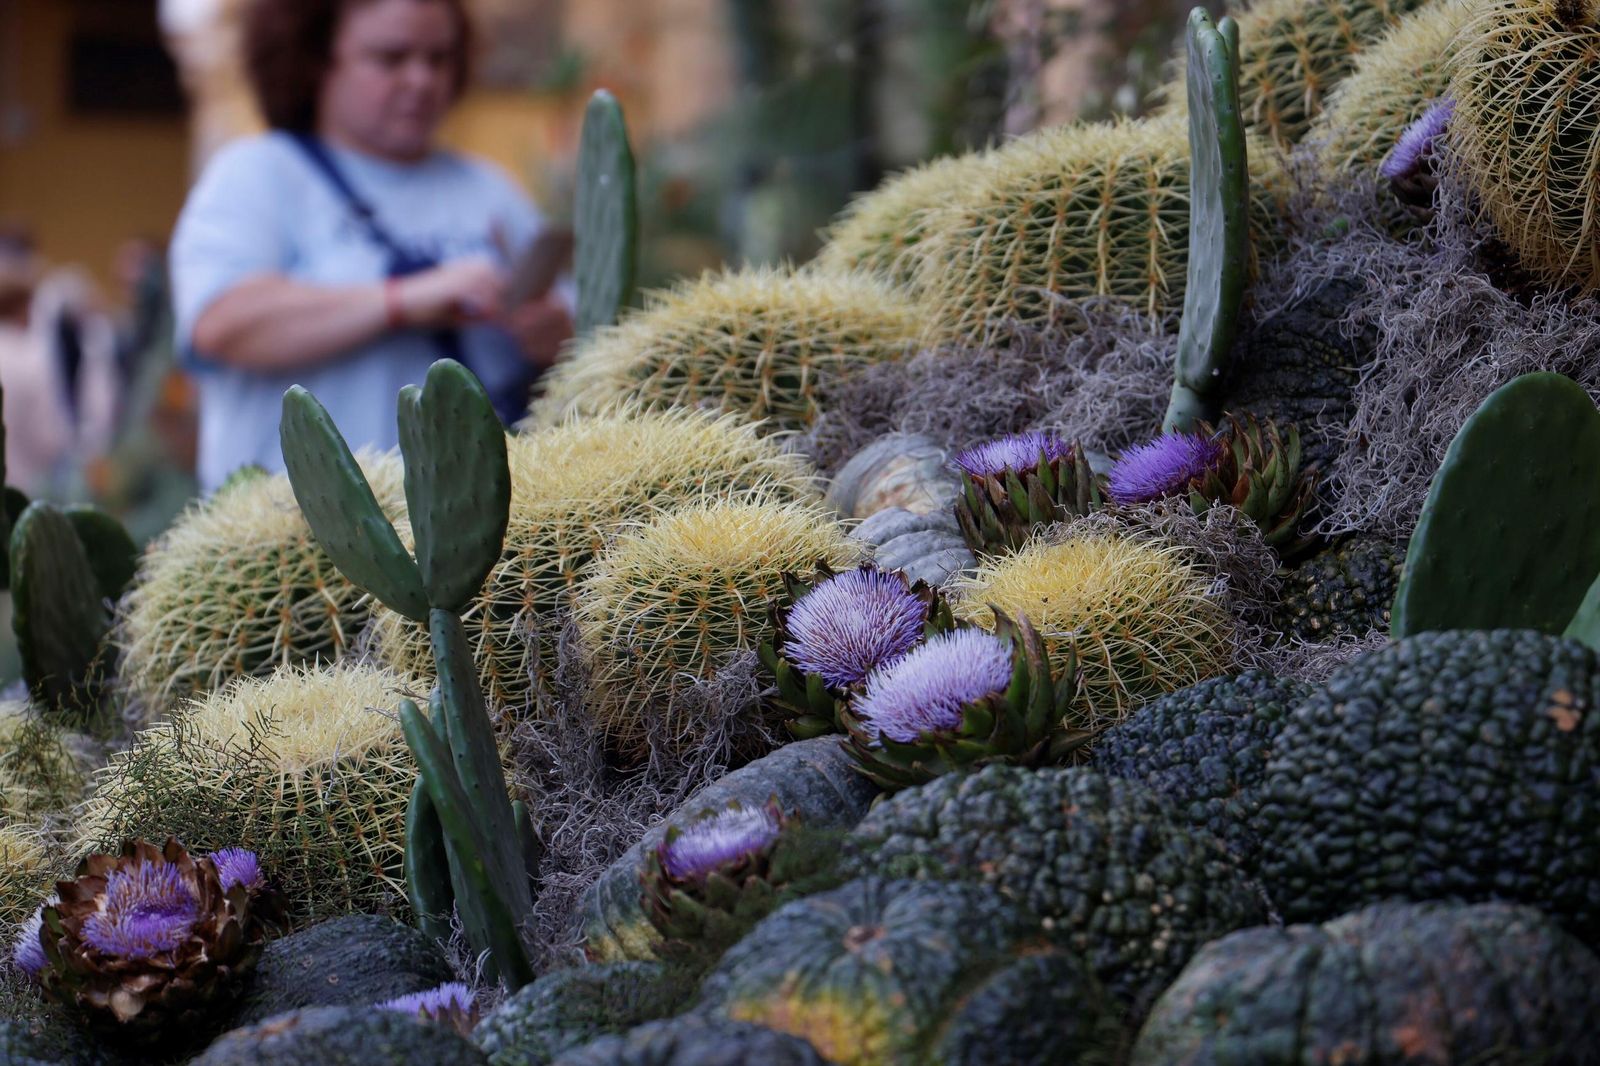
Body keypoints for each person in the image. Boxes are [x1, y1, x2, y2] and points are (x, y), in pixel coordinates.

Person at [170, 0, 573, 493]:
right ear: (316, 58)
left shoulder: (490, 189)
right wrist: (405, 300)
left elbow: (576, 336)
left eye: (439, 58)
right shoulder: (256, 174)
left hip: (475, 539)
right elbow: (222, 323)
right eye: (391, 58)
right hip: (296, 543)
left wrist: (551, 332)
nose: (421, 80)